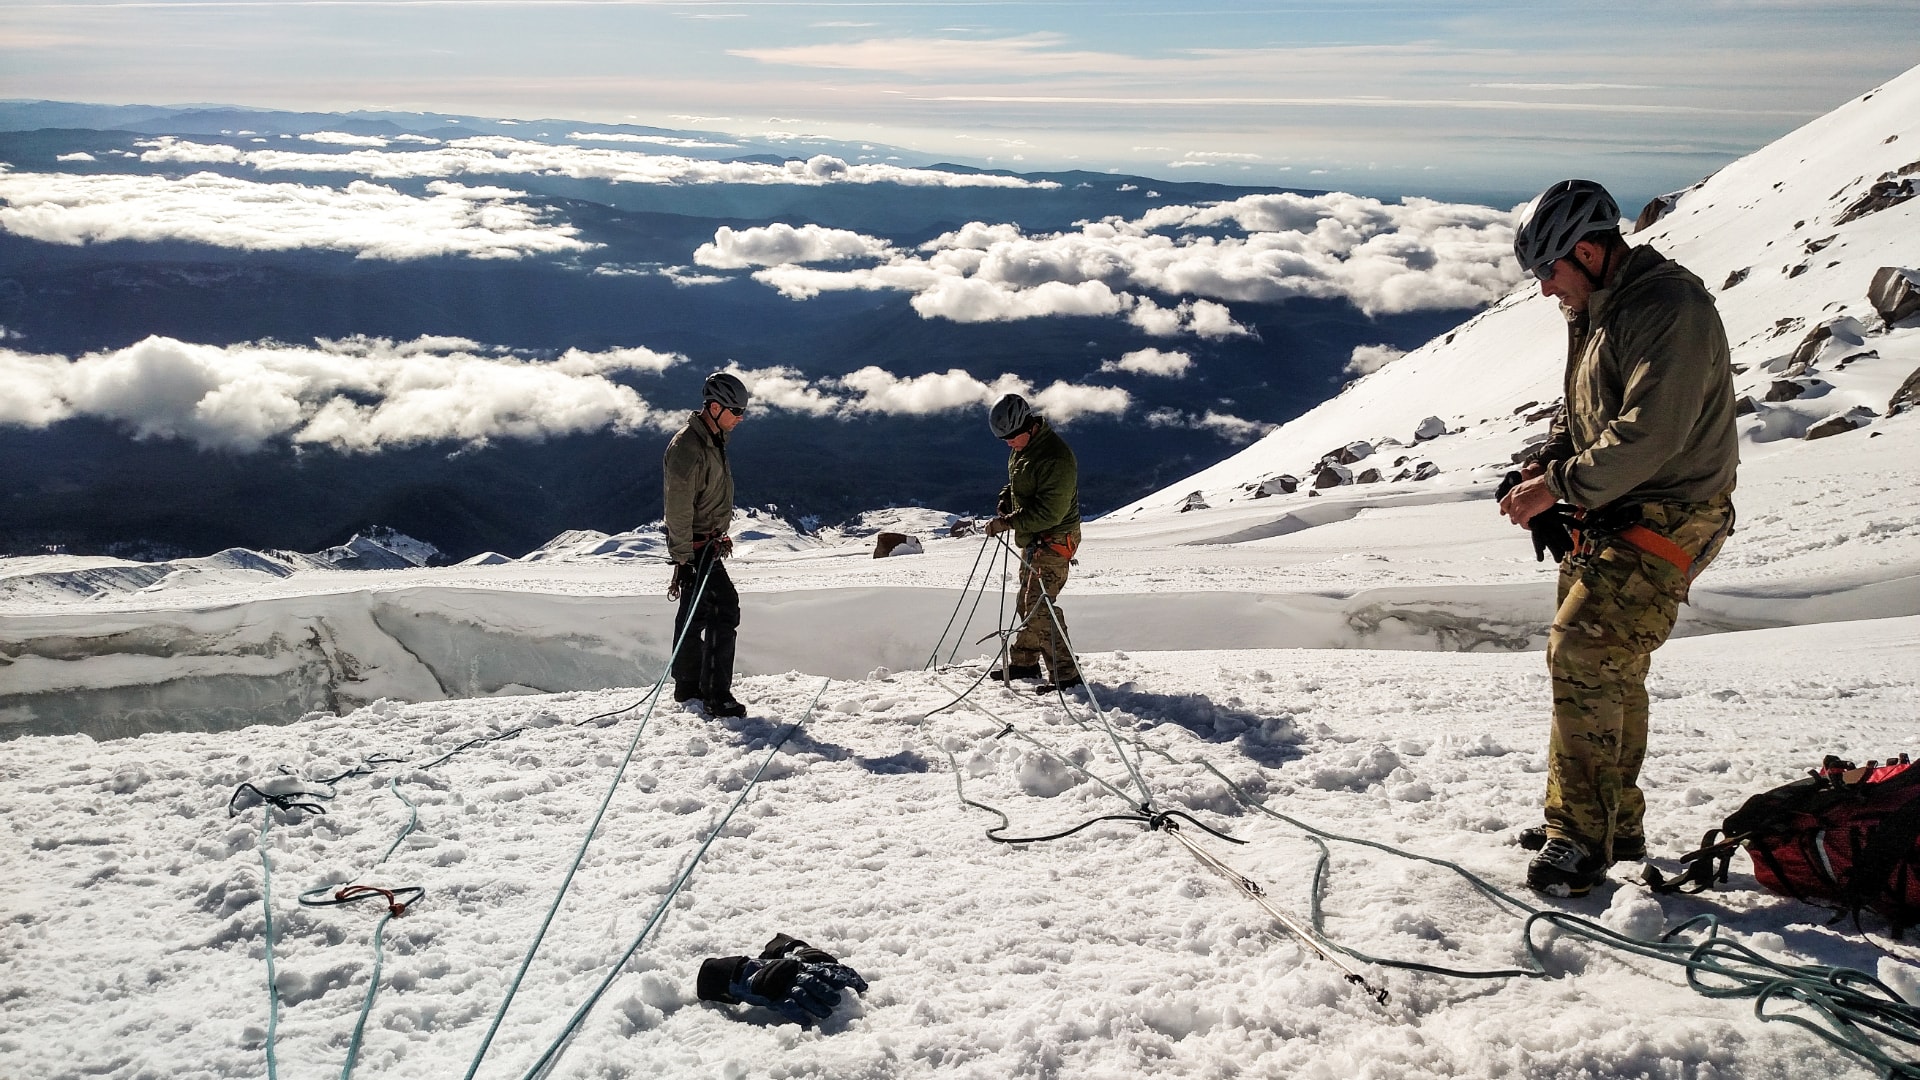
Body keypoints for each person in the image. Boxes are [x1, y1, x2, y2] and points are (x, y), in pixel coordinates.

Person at [1498, 179, 1739, 897]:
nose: (1546, 289)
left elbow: (1651, 433)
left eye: (1550, 271)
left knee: (1584, 651)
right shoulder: (1599, 307)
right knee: (1605, 664)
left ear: (1587, 251)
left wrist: (1559, 486)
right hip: (1619, 507)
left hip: (1672, 512)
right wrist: (1547, 460)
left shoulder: (1669, 309)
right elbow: (1588, 408)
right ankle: (1608, 824)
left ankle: (1580, 838)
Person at [663, 371, 751, 718]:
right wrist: (683, 559)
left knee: (696, 611)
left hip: (706, 543)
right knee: (724, 608)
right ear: (715, 408)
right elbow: (678, 508)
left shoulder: (713, 438)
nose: (740, 418)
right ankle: (716, 696)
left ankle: (687, 684)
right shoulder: (688, 448)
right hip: (697, 548)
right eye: (736, 411)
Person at [982, 393, 1084, 694]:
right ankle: (1025, 662)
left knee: (1039, 606)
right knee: (1027, 601)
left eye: (1012, 437)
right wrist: (1007, 496)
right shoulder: (1025, 447)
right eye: (1005, 440)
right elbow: (1022, 481)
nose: (1009, 444)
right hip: (1037, 539)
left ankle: (1066, 675)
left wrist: (1008, 522)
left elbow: (1050, 512)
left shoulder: (1055, 458)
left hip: (1055, 539)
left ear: (1029, 426)